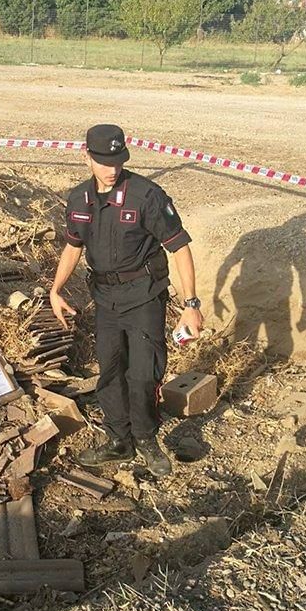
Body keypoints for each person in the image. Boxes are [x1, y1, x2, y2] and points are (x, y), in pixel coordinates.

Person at [49, 124, 203, 477]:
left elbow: (179, 246)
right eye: (103, 161)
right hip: (105, 299)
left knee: (144, 375)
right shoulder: (79, 200)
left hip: (144, 296)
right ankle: (119, 440)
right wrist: (55, 290)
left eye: (117, 161)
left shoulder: (147, 196)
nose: (111, 168)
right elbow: (73, 245)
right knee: (110, 371)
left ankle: (147, 438)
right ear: (86, 155)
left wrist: (191, 306)